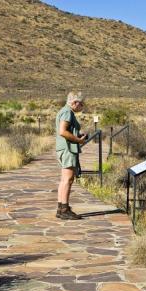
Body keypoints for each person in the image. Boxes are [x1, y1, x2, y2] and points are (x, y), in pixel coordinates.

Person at [55, 91, 87, 220]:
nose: (82, 106)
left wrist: (76, 135)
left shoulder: (64, 111)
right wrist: (78, 140)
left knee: (64, 180)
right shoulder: (67, 112)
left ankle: (61, 208)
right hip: (68, 149)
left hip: (65, 148)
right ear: (75, 103)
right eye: (81, 104)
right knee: (68, 179)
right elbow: (63, 131)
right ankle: (64, 209)